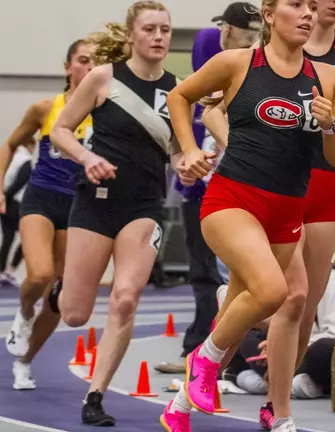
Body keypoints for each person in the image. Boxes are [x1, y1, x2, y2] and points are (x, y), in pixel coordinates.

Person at [161, 0, 335, 430]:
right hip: (233, 201)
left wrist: (330, 125)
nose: (306, 14)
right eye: (295, 5)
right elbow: (179, 96)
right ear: (269, 14)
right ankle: (204, 361)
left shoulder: (327, 78)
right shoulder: (236, 63)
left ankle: (180, 408)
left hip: (286, 212)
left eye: (310, 7)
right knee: (271, 291)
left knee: (236, 310)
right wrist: (189, 150)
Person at [48, 1, 183, 426]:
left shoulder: (180, 91)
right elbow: (60, 130)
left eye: (165, 29)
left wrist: (190, 165)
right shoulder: (104, 78)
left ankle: (95, 395)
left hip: (144, 206)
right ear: (131, 35)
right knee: (74, 314)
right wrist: (87, 158)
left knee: (125, 300)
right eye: (150, 29)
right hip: (96, 201)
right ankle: (60, 289)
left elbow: (179, 152)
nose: (159, 37)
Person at [155, 2, 264, 376]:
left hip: (242, 180)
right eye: (244, 38)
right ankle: (197, 349)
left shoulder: (258, 60)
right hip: (202, 179)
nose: (250, 46)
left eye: (256, 39)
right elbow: (201, 95)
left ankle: (225, 351)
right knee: (204, 273)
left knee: (239, 277)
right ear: (227, 31)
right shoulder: (209, 44)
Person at [0, 40, 94, 391]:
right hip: (40, 199)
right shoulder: (45, 108)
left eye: (96, 62)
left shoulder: (105, 114)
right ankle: (23, 313)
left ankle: (24, 362)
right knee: (38, 275)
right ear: (68, 67)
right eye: (83, 61)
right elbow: (9, 144)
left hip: (78, 208)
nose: (89, 67)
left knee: (59, 297)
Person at [0, 138, 35, 287]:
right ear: (30, 145)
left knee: (8, 237)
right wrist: (6, 197)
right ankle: (11, 270)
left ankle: (2, 272)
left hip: (5, 202)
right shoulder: (25, 160)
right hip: (14, 203)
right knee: (29, 237)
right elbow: (20, 181)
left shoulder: (11, 159)